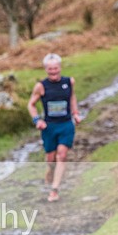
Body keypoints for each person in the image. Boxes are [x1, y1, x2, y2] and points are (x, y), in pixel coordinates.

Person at [27, 53, 82, 202]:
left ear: (60, 67)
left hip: (66, 125)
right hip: (49, 127)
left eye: (56, 68)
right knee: (51, 159)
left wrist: (75, 113)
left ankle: (54, 189)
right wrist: (37, 120)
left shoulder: (69, 82)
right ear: (46, 69)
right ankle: (51, 170)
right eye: (50, 69)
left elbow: (72, 97)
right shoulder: (41, 86)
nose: (53, 72)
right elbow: (31, 104)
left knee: (62, 155)